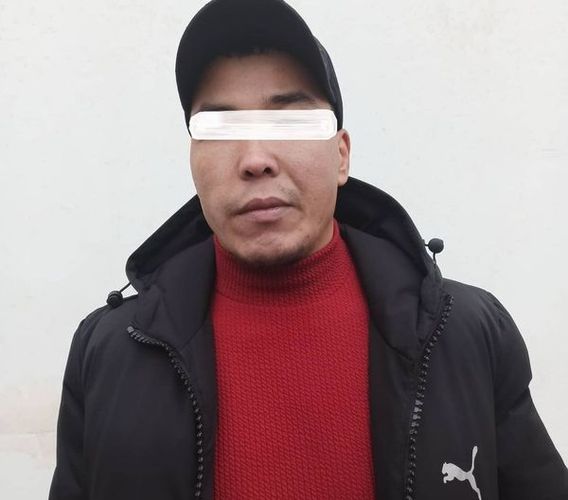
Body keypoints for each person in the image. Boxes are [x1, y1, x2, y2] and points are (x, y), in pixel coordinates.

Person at [49, 0, 568, 499]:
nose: (255, 159)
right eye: (221, 129)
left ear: (341, 156)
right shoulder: (109, 352)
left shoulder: (467, 332)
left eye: (289, 121)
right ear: (193, 160)